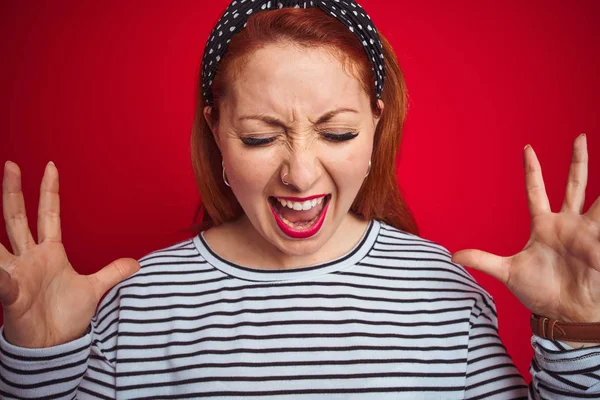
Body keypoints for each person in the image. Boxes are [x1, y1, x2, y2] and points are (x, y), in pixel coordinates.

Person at [1, 1, 599, 399]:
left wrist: (578, 333)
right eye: (261, 137)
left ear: (375, 123)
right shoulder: (141, 303)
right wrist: (40, 362)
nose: (300, 172)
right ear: (215, 131)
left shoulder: (444, 293)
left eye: (336, 132)